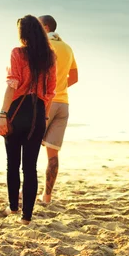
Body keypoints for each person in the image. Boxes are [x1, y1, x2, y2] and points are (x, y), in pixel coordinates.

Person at [0, 15, 56, 224]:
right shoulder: (49, 57)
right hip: (37, 113)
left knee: (12, 163)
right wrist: (44, 117)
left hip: (18, 111)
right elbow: (50, 92)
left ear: (23, 33)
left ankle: (13, 208)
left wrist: (3, 115)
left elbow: (12, 84)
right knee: (30, 167)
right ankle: (26, 218)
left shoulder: (17, 53)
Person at [38, 15, 78, 204]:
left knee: (29, 148)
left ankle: (22, 191)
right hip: (63, 104)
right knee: (52, 153)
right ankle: (47, 197)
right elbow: (75, 77)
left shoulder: (42, 46)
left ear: (45, 27)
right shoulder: (67, 47)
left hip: (46, 102)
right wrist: (59, 88)